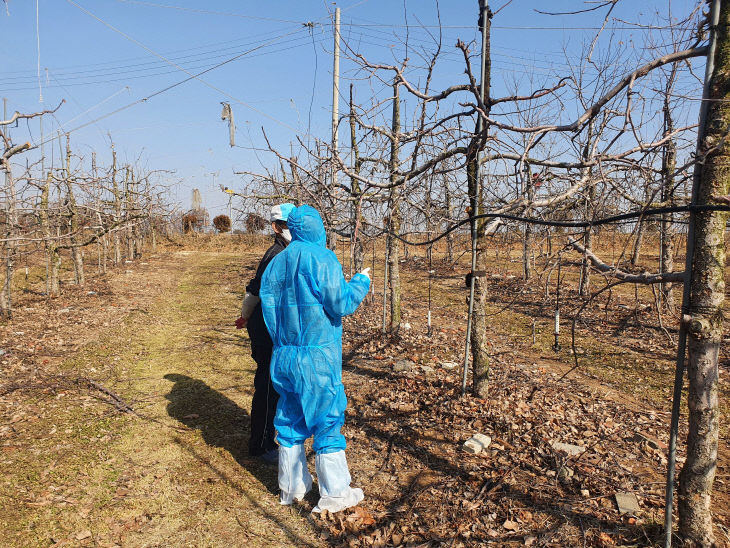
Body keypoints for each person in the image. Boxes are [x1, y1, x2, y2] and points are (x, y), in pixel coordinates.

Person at [259, 205, 371, 513]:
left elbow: (269, 312)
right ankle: (335, 494)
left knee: (290, 418)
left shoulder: (276, 264)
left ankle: (292, 487)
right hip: (317, 356)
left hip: (284, 355)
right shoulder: (322, 258)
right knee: (326, 420)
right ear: (317, 228)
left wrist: (284, 342)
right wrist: (360, 281)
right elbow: (341, 303)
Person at [235, 203, 296, 464]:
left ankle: (266, 438)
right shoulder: (276, 255)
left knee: (274, 384)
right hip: (266, 328)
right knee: (268, 385)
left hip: (274, 327)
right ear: (276, 227)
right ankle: (260, 445)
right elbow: (256, 290)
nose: (293, 229)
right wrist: (246, 316)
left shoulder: (288, 251)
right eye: (288, 224)